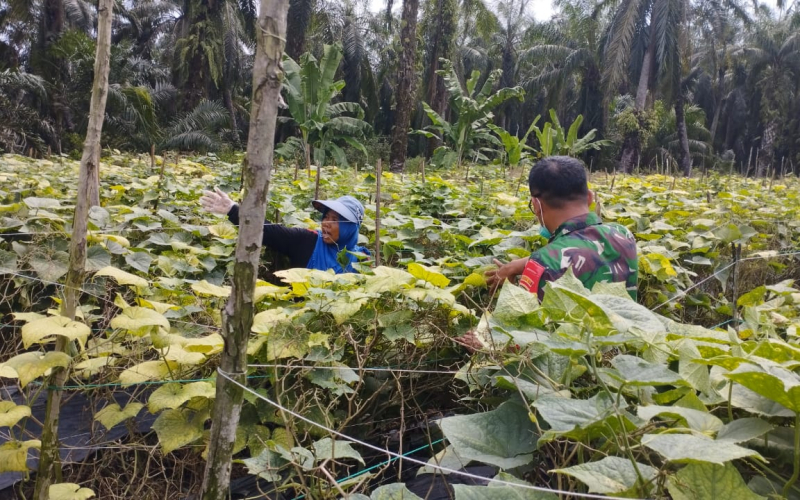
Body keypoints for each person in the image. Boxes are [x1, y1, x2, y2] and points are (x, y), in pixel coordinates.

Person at [486, 156, 639, 300]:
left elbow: (524, 325)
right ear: (590, 198)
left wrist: (510, 290)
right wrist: (516, 265)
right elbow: (581, 250)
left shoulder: (543, 265)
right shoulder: (623, 234)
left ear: (536, 205)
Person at [200, 188, 369, 273]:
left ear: (350, 228)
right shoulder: (307, 241)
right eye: (326, 217)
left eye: (334, 220)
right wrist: (233, 210)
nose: (326, 223)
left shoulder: (362, 260)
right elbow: (269, 232)